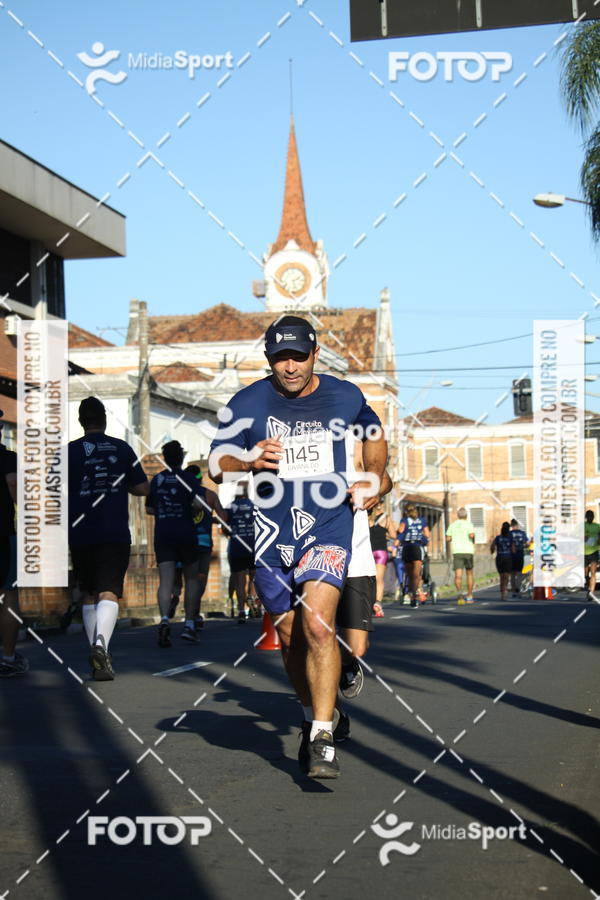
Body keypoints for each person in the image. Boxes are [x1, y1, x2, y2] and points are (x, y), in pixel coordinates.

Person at [209, 315, 387, 779]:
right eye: (279, 358)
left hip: (328, 525)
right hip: (270, 534)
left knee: (318, 627)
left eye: (298, 356)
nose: (289, 367)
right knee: (289, 638)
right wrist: (247, 459)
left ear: (314, 354)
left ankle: (323, 738)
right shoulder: (247, 401)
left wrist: (376, 480)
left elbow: (374, 438)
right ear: (269, 359)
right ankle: (313, 717)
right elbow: (215, 463)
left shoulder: (345, 395)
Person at [69, 397, 149, 680]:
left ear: (81, 421)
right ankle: (102, 644)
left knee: (89, 591)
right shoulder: (121, 448)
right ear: (103, 419)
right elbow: (142, 488)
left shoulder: (68, 452)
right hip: (113, 530)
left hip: (79, 532)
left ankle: (96, 649)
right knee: (109, 591)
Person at [336, 433, 393, 710]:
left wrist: (375, 488)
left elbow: (385, 479)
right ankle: (323, 715)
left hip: (356, 558)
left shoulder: (354, 443)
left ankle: (346, 664)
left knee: (356, 647)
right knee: (314, 636)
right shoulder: (295, 437)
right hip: (310, 555)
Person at [148, 443, 216, 646]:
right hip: (186, 534)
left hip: (163, 533)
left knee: (166, 581)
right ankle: (189, 625)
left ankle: (164, 620)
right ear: (181, 457)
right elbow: (199, 505)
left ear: (165, 458)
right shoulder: (187, 478)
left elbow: (150, 509)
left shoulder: (157, 479)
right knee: (192, 579)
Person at [0, 411, 27, 677]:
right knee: (9, 594)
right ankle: (8, 657)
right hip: (4, 534)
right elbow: (13, 482)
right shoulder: (8, 457)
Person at [185, 464, 226, 628]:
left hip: (184, 540)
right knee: (200, 578)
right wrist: (213, 518)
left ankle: (176, 599)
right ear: (201, 479)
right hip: (203, 541)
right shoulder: (209, 495)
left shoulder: (181, 494)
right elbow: (224, 517)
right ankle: (194, 613)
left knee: (184, 578)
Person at [225, 480, 255, 623]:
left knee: (239, 579)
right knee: (254, 578)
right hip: (253, 546)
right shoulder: (255, 506)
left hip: (237, 547)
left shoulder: (230, 507)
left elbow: (224, 527)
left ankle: (241, 610)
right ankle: (253, 601)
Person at [396, 503, 430, 608]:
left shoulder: (404, 520)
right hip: (417, 547)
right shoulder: (422, 520)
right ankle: (415, 596)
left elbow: (400, 531)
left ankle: (411, 594)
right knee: (416, 575)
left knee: (410, 575)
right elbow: (427, 535)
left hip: (407, 548)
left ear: (406, 511)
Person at [369, 504, 396, 614]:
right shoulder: (386, 518)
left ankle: (368, 601)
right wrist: (384, 534)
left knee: (368, 578)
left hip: (368, 551)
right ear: (381, 505)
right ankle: (378, 603)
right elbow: (393, 535)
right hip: (381, 551)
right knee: (379, 579)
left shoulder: (366, 516)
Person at [446, 508, 476, 603]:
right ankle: (470, 596)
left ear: (458, 515)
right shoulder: (469, 524)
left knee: (458, 575)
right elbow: (471, 535)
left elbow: (448, 538)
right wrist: (473, 539)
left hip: (457, 551)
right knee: (469, 574)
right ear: (466, 516)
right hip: (468, 551)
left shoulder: (453, 525)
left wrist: (454, 538)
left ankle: (459, 593)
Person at [490, 522, 515, 601]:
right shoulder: (510, 538)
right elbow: (513, 549)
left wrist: (493, 552)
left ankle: (502, 594)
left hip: (500, 557)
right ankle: (505, 590)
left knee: (501, 576)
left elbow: (492, 547)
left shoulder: (498, 538)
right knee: (506, 576)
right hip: (508, 558)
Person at [509, 518, 529, 597]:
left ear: (511, 526)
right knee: (519, 573)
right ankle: (518, 590)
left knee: (512, 574)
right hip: (520, 554)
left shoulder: (509, 534)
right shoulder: (522, 533)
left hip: (511, 555)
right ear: (517, 525)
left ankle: (514, 591)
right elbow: (527, 543)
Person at [584, 509, 600, 602]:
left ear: (593, 517)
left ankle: (591, 592)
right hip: (583, 552)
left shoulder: (597, 526)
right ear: (586, 517)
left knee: (593, 572)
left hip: (594, 552)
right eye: (589, 516)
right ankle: (588, 586)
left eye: (592, 516)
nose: (590, 518)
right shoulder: (582, 526)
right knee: (585, 574)